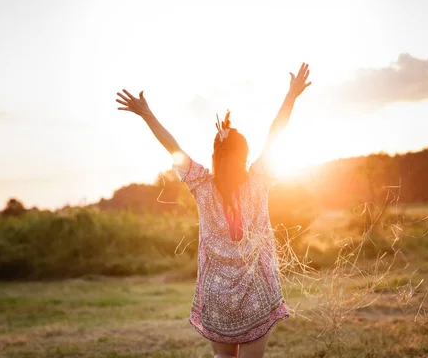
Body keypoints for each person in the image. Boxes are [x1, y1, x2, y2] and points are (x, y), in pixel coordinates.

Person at [116, 63, 312, 358]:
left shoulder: (202, 185)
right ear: (244, 156)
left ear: (215, 156)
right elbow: (275, 135)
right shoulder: (258, 179)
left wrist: (147, 115)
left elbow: (173, 148)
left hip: (216, 296)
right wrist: (291, 96)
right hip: (256, 292)